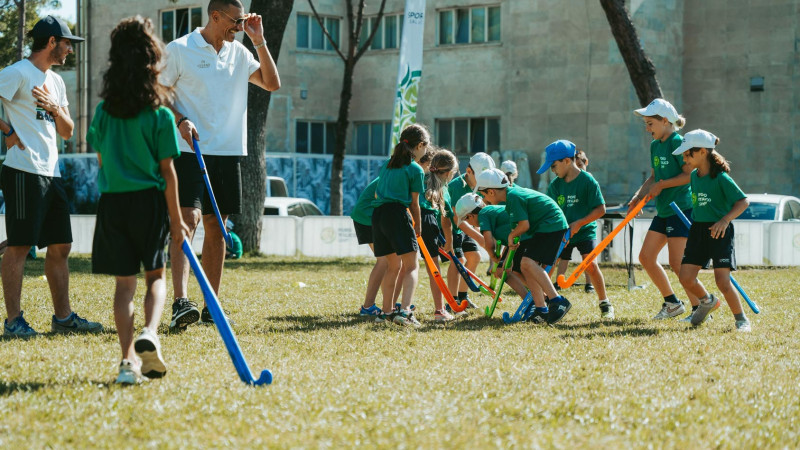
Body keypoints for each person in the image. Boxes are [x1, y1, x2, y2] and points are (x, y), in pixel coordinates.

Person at [160, 0, 281, 331]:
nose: (240, 25)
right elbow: (158, 92)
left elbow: (272, 83)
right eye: (236, 20)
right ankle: (181, 302)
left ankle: (211, 304)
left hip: (229, 152)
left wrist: (259, 40)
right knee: (188, 221)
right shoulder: (180, 48)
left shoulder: (240, 53)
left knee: (217, 227)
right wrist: (180, 119)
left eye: (243, 21)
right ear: (215, 16)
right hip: (189, 150)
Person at [87, 16, 189, 384]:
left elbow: (100, 157)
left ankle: (128, 363)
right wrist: (176, 222)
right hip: (148, 203)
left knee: (124, 286)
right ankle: (150, 331)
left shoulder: (102, 112)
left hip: (113, 203)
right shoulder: (160, 114)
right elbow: (168, 173)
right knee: (155, 277)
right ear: (151, 59)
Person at [0, 16, 102, 337]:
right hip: (22, 170)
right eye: (67, 43)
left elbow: (69, 132)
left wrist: (56, 109)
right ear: (51, 42)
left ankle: (63, 318)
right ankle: (13, 321)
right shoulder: (17, 72)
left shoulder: (55, 82)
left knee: (61, 245)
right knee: (19, 245)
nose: (70, 49)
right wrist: (8, 131)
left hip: (52, 173)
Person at [629, 98, 700, 321]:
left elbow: (689, 176)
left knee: (678, 264)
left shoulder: (678, 143)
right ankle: (672, 303)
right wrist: (638, 196)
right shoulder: (655, 145)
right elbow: (653, 176)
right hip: (664, 210)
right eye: (646, 124)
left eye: (651, 123)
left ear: (666, 121)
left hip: (681, 210)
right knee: (646, 257)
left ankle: (699, 306)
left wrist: (661, 186)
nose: (647, 129)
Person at [673, 130, 751, 331]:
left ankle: (742, 320)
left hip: (720, 231)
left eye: (687, 153)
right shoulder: (693, 176)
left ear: (701, 152)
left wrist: (725, 220)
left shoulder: (721, 178)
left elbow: (743, 201)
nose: (684, 157)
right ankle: (707, 301)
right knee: (685, 278)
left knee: (723, 282)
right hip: (698, 231)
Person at [476, 168, 572, 324]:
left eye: (483, 194)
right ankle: (541, 309)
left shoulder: (513, 197)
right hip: (545, 227)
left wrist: (511, 236)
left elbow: (524, 226)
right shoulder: (511, 197)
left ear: (491, 192)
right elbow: (518, 229)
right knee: (525, 265)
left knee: (527, 263)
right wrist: (510, 253)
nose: (483, 198)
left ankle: (558, 301)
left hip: (552, 225)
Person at [542, 140, 614, 319]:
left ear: (567, 161)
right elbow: (549, 211)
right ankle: (543, 302)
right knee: (548, 266)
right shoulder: (555, 186)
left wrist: (580, 223)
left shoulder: (587, 181)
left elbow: (600, 209)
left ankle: (605, 303)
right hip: (562, 231)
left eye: (554, 166)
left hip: (584, 230)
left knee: (590, 265)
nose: (552, 171)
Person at [371, 124, 429, 327]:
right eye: (425, 147)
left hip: (378, 216)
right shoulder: (415, 169)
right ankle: (405, 312)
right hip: (396, 214)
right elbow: (414, 203)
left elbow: (378, 193)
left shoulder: (387, 165)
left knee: (393, 266)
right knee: (412, 265)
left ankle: (385, 313)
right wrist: (418, 227)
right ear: (420, 145)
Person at [456, 194, 530, 303]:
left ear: (470, 216)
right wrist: (502, 259)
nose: (468, 224)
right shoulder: (489, 210)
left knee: (502, 270)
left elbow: (489, 243)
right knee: (512, 270)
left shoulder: (482, 216)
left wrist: (494, 257)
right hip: (521, 238)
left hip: (523, 238)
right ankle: (537, 297)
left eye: (465, 220)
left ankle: (529, 301)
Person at [447, 152, 494, 307]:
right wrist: (481, 239)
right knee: (458, 261)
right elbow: (457, 219)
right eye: (481, 178)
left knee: (474, 257)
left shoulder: (481, 188)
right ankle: (451, 301)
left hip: (465, 229)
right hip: (451, 228)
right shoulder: (456, 186)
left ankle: (463, 297)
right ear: (468, 172)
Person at [419, 149, 458, 322]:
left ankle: (393, 308)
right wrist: (449, 243)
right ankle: (440, 310)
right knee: (434, 270)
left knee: (404, 267)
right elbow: (446, 221)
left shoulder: (419, 178)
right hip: (426, 222)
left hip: (405, 218)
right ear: (450, 173)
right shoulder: (443, 189)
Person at [557, 149, 593, 293]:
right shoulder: (564, 182)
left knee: (588, 259)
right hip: (568, 228)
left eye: (580, 165)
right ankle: (559, 281)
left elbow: (596, 206)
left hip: (584, 228)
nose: (578, 168)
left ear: (586, 162)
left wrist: (583, 221)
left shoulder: (588, 180)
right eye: (575, 165)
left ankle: (589, 284)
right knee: (563, 256)